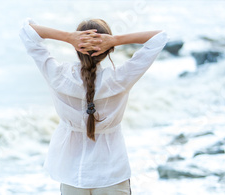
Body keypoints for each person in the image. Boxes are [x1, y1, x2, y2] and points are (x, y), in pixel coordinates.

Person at [19, 18, 169, 194]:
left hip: (71, 176)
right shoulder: (119, 79)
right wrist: (115, 40)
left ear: (77, 49)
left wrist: (69, 37)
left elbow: (27, 32)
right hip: (112, 174)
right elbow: (159, 37)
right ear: (108, 50)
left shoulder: (59, 77)